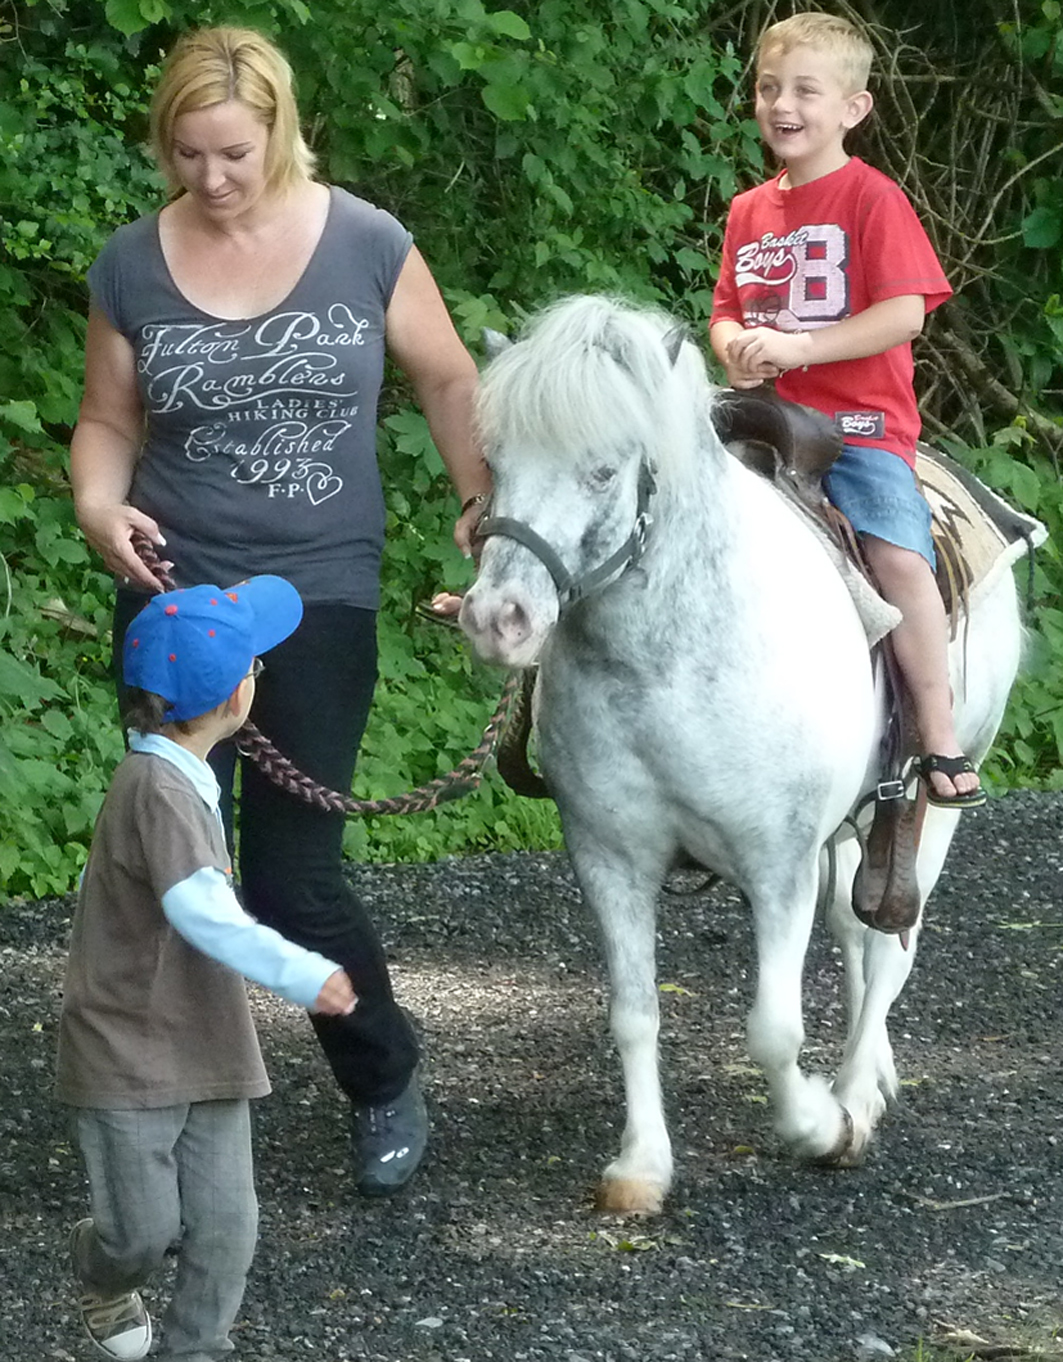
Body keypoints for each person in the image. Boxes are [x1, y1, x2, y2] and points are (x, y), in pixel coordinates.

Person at [69, 26, 492, 1196]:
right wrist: (97, 502)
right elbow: (107, 418)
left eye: (234, 154)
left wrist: (479, 497)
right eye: (187, 154)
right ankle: (166, 1093)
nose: (210, 179)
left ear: (281, 133)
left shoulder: (365, 242)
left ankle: (383, 1071)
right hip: (172, 599)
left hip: (315, 592)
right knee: (168, 856)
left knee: (288, 881)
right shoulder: (131, 264)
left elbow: (447, 375)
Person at [56, 577, 358, 1362]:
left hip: (207, 1036)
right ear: (233, 696)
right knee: (140, 1232)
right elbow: (201, 912)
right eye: (255, 664)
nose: (259, 674)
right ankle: (102, 1266)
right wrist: (300, 973)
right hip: (126, 1046)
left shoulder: (182, 773)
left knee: (228, 1224)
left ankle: (197, 1347)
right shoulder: (158, 789)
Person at [709, 11, 984, 808]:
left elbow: (904, 314)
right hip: (759, 422)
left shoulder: (871, 198)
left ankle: (937, 731)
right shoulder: (746, 210)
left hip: (853, 429)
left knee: (896, 556)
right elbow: (724, 310)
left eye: (805, 90)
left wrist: (798, 348)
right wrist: (733, 346)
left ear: (851, 108)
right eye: (768, 87)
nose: (781, 104)